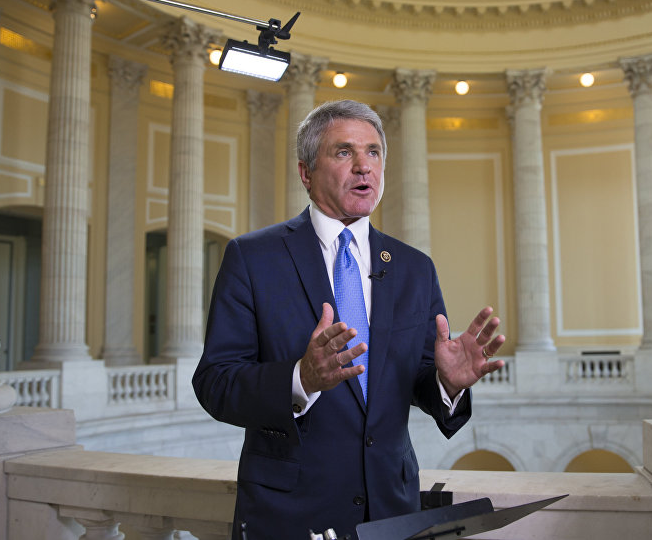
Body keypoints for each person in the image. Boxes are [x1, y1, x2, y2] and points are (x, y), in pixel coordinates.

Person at [193, 99, 506, 540]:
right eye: (344, 152)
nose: (364, 167)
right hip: (289, 516)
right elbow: (215, 383)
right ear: (306, 171)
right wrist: (301, 378)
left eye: (374, 152)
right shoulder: (252, 258)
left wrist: (447, 383)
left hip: (391, 514)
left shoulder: (414, 267)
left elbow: (414, 378)